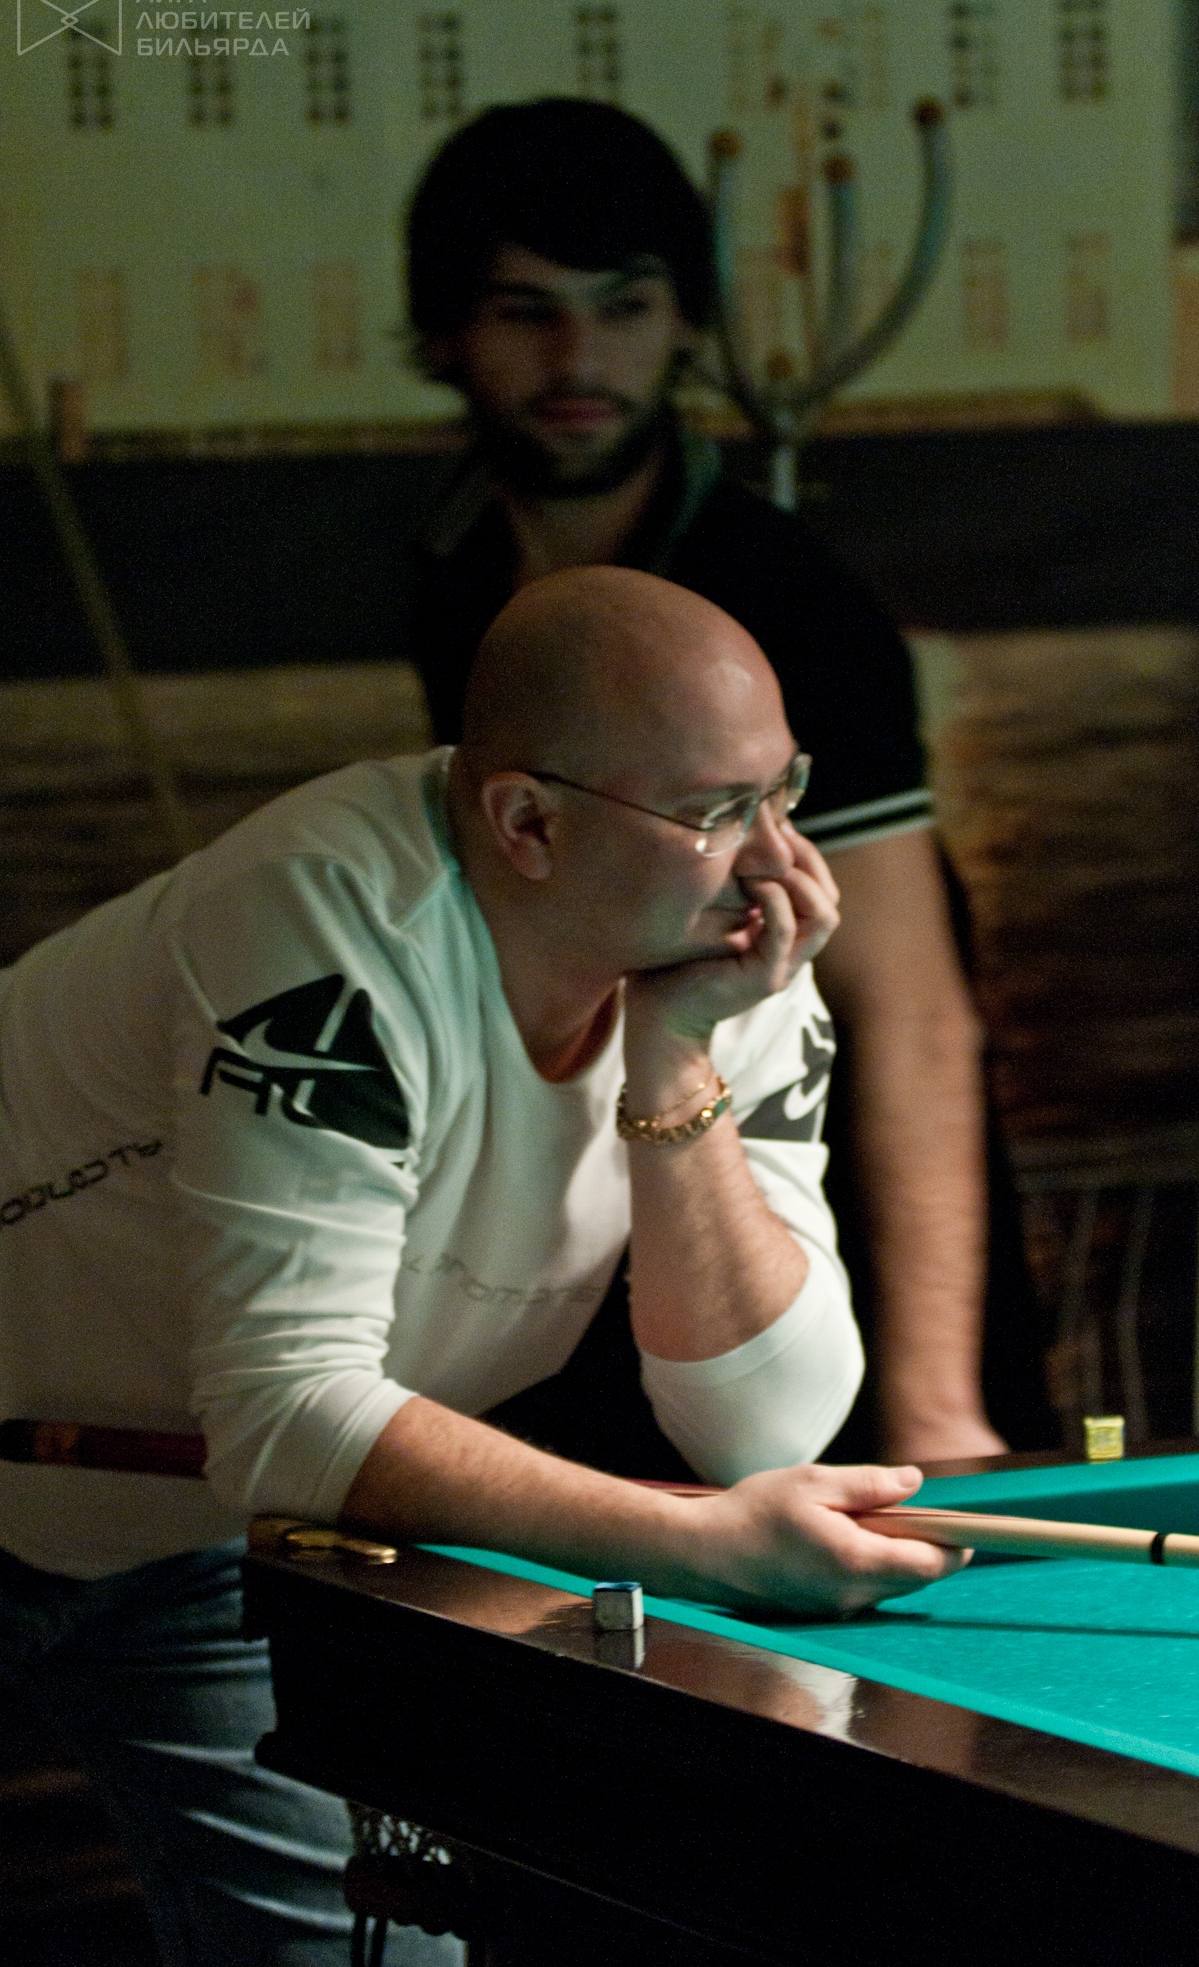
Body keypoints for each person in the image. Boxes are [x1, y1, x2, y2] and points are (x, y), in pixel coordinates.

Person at [0, 568, 963, 1967]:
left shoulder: (727, 960)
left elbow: (765, 1429)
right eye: (716, 810)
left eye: (785, 791)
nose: (779, 862)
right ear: (528, 823)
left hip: (196, 1540)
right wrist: (700, 1542)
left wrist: (674, 1061)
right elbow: (289, 1411)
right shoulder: (327, 919)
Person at [404, 97, 1046, 1469]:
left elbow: (912, 1010)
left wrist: (938, 1404)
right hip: (588, 1231)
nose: (579, 359)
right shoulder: (456, 576)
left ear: (688, 323)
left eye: (624, 307)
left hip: (817, 1227)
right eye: (525, 312)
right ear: (445, 334)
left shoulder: (785, 601)